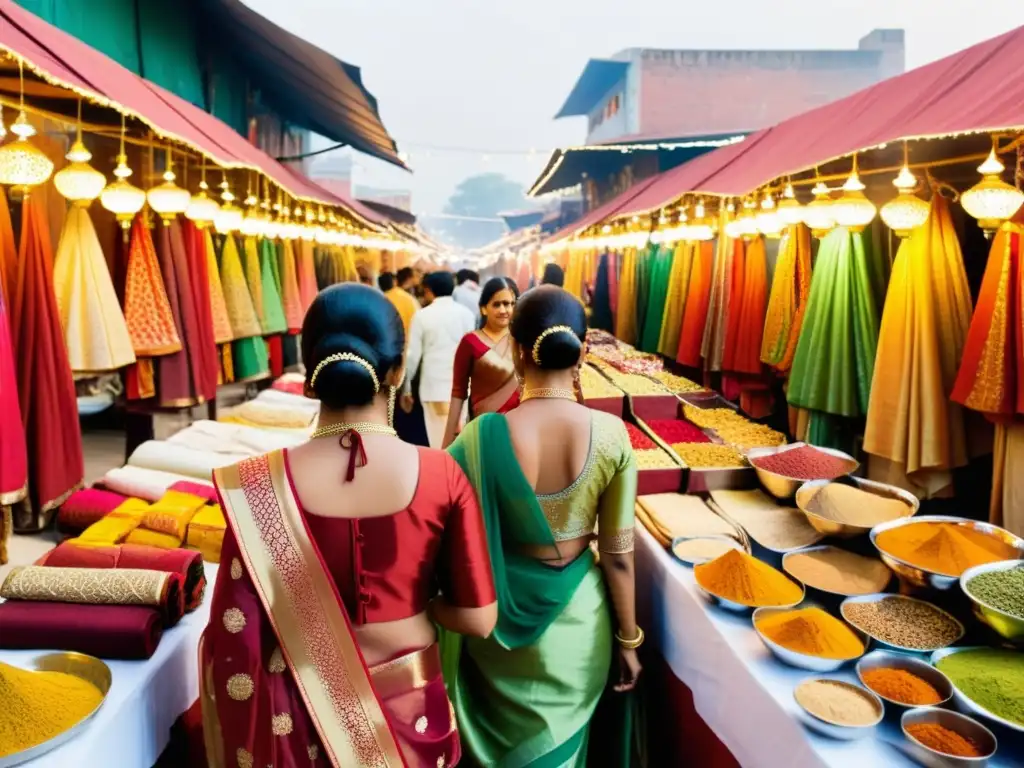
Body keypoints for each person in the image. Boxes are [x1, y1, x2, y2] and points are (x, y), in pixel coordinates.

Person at [200, 283, 497, 768]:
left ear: (310, 378)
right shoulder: (442, 474)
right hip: (413, 720)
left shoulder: (256, 487)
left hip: (296, 720)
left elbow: (235, 637)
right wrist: (418, 602)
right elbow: (479, 619)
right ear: (397, 371)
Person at [441, 285, 641, 766]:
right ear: (583, 350)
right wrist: (628, 641)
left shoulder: (478, 438)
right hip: (577, 625)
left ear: (513, 346)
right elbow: (617, 557)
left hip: (494, 625)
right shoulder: (612, 434)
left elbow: (442, 530)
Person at [441, 277, 520, 448]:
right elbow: (458, 391)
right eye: (497, 304)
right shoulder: (470, 342)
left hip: (519, 429)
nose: (504, 310)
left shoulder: (522, 342)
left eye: (509, 304)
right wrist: (448, 441)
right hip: (482, 429)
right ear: (484, 308)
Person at [401, 271, 476, 448]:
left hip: (433, 389)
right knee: (459, 442)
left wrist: (406, 389)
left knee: (438, 443)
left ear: (428, 290)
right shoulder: (467, 315)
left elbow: (412, 357)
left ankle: (444, 474)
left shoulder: (422, 316)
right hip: (462, 388)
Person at [386, 266, 421, 338]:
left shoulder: (385, 296)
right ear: (409, 279)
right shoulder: (410, 301)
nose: (419, 278)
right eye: (416, 276)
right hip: (406, 343)